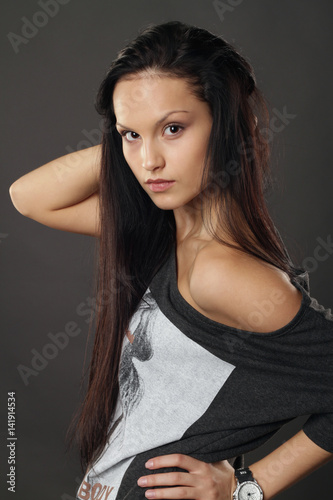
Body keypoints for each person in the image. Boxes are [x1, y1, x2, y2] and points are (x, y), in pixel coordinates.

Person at [9, 20, 333, 500]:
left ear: (227, 125)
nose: (148, 162)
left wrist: (250, 486)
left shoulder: (223, 273)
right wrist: (141, 131)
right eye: (130, 136)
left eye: (174, 128)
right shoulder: (166, 230)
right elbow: (29, 197)